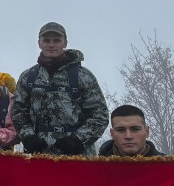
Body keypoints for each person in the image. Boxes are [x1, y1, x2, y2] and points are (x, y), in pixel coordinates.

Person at [12, 22, 108, 156]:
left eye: (56, 40)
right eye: (46, 40)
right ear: (39, 43)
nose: (51, 44)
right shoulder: (28, 77)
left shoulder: (83, 76)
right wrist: (28, 137)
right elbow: (18, 112)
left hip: (78, 155)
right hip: (39, 154)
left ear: (65, 42)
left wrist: (78, 140)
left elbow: (100, 115)